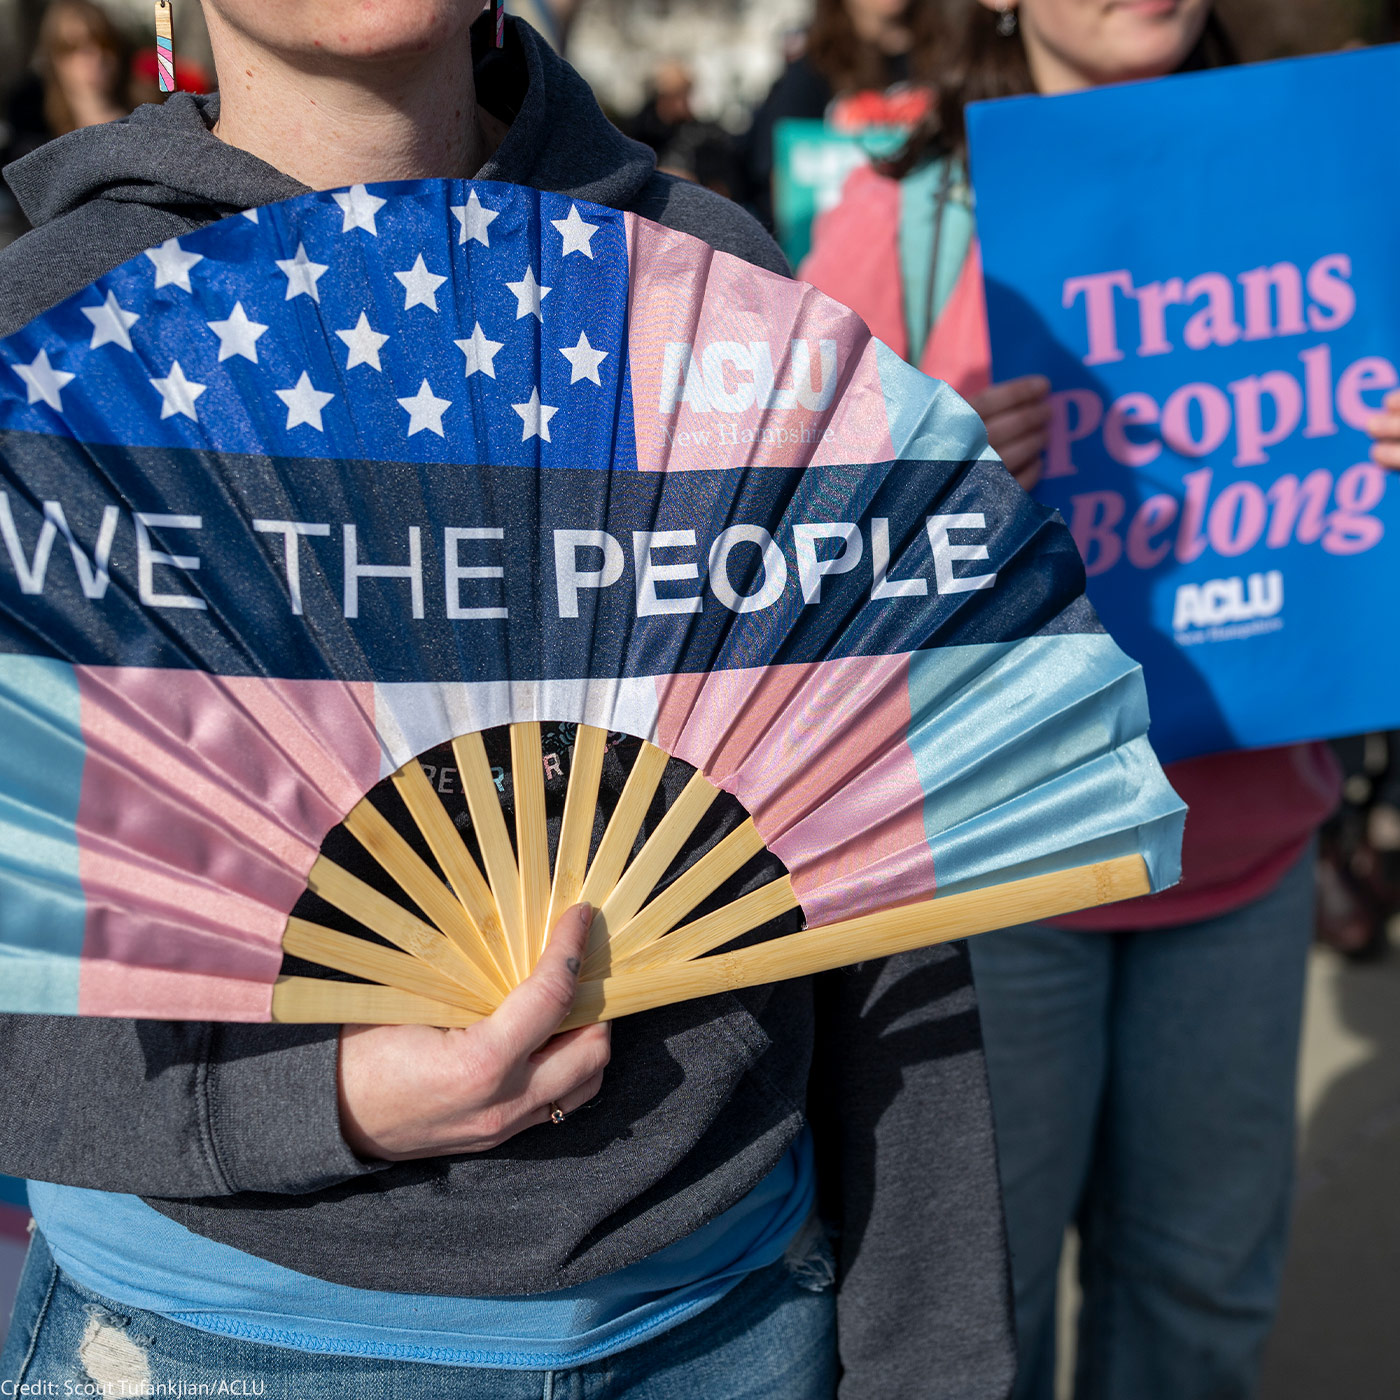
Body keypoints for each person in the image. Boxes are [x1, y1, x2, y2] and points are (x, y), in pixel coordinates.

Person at [0, 5, 1016, 1397]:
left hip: (726, 1319)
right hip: (220, 1343)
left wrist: (937, 1354)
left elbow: (876, 886)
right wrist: (320, 1105)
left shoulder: (708, 280)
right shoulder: (45, 324)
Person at [802, 3, 1400, 1397]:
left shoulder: (1328, 178)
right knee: (978, 1332)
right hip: (990, 883)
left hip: (1243, 862)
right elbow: (788, 574)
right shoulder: (902, 226)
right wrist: (936, 484)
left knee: (1197, 1307)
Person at [741, 0, 941, 227]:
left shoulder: (950, 60)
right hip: (839, 242)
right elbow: (777, 175)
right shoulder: (812, 70)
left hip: (930, 234)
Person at [0, 0, 133, 243]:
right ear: (55, 60)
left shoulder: (148, 114)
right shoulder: (35, 142)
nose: (95, 57)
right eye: (73, 48)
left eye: (104, 44)